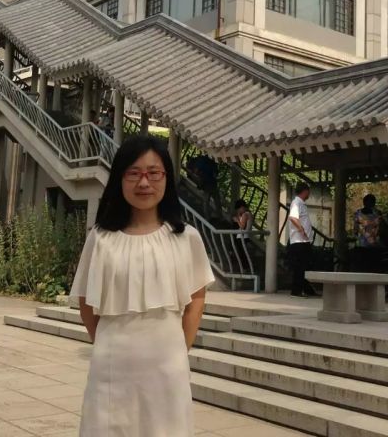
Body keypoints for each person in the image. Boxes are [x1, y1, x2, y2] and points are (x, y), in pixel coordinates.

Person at [71, 135, 215, 436]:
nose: (144, 183)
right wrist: (107, 343)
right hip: (112, 366)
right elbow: (86, 302)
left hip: (167, 365)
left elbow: (196, 298)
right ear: (120, 179)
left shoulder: (186, 237)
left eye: (154, 173)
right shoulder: (101, 238)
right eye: (134, 173)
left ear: (167, 178)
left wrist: (180, 348)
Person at [287, 183, 317, 298]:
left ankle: (307, 289)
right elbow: (293, 217)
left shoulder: (301, 203)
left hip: (304, 241)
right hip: (298, 241)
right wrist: (301, 229)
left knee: (306, 266)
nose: (309, 193)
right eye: (308, 191)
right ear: (305, 191)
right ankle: (296, 291)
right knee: (299, 267)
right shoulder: (296, 202)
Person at [352, 194, 386, 273]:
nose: (372, 204)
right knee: (368, 268)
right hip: (365, 245)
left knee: (369, 268)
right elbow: (355, 229)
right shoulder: (360, 213)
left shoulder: (377, 213)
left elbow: (355, 230)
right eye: (371, 202)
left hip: (372, 245)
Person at [231, 199, 254, 273]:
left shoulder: (245, 214)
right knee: (243, 253)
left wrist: (237, 220)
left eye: (239, 209)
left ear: (241, 207)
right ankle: (246, 268)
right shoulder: (249, 214)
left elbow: (242, 226)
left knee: (242, 253)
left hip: (242, 236)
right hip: (245, 236)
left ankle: (244, 268)